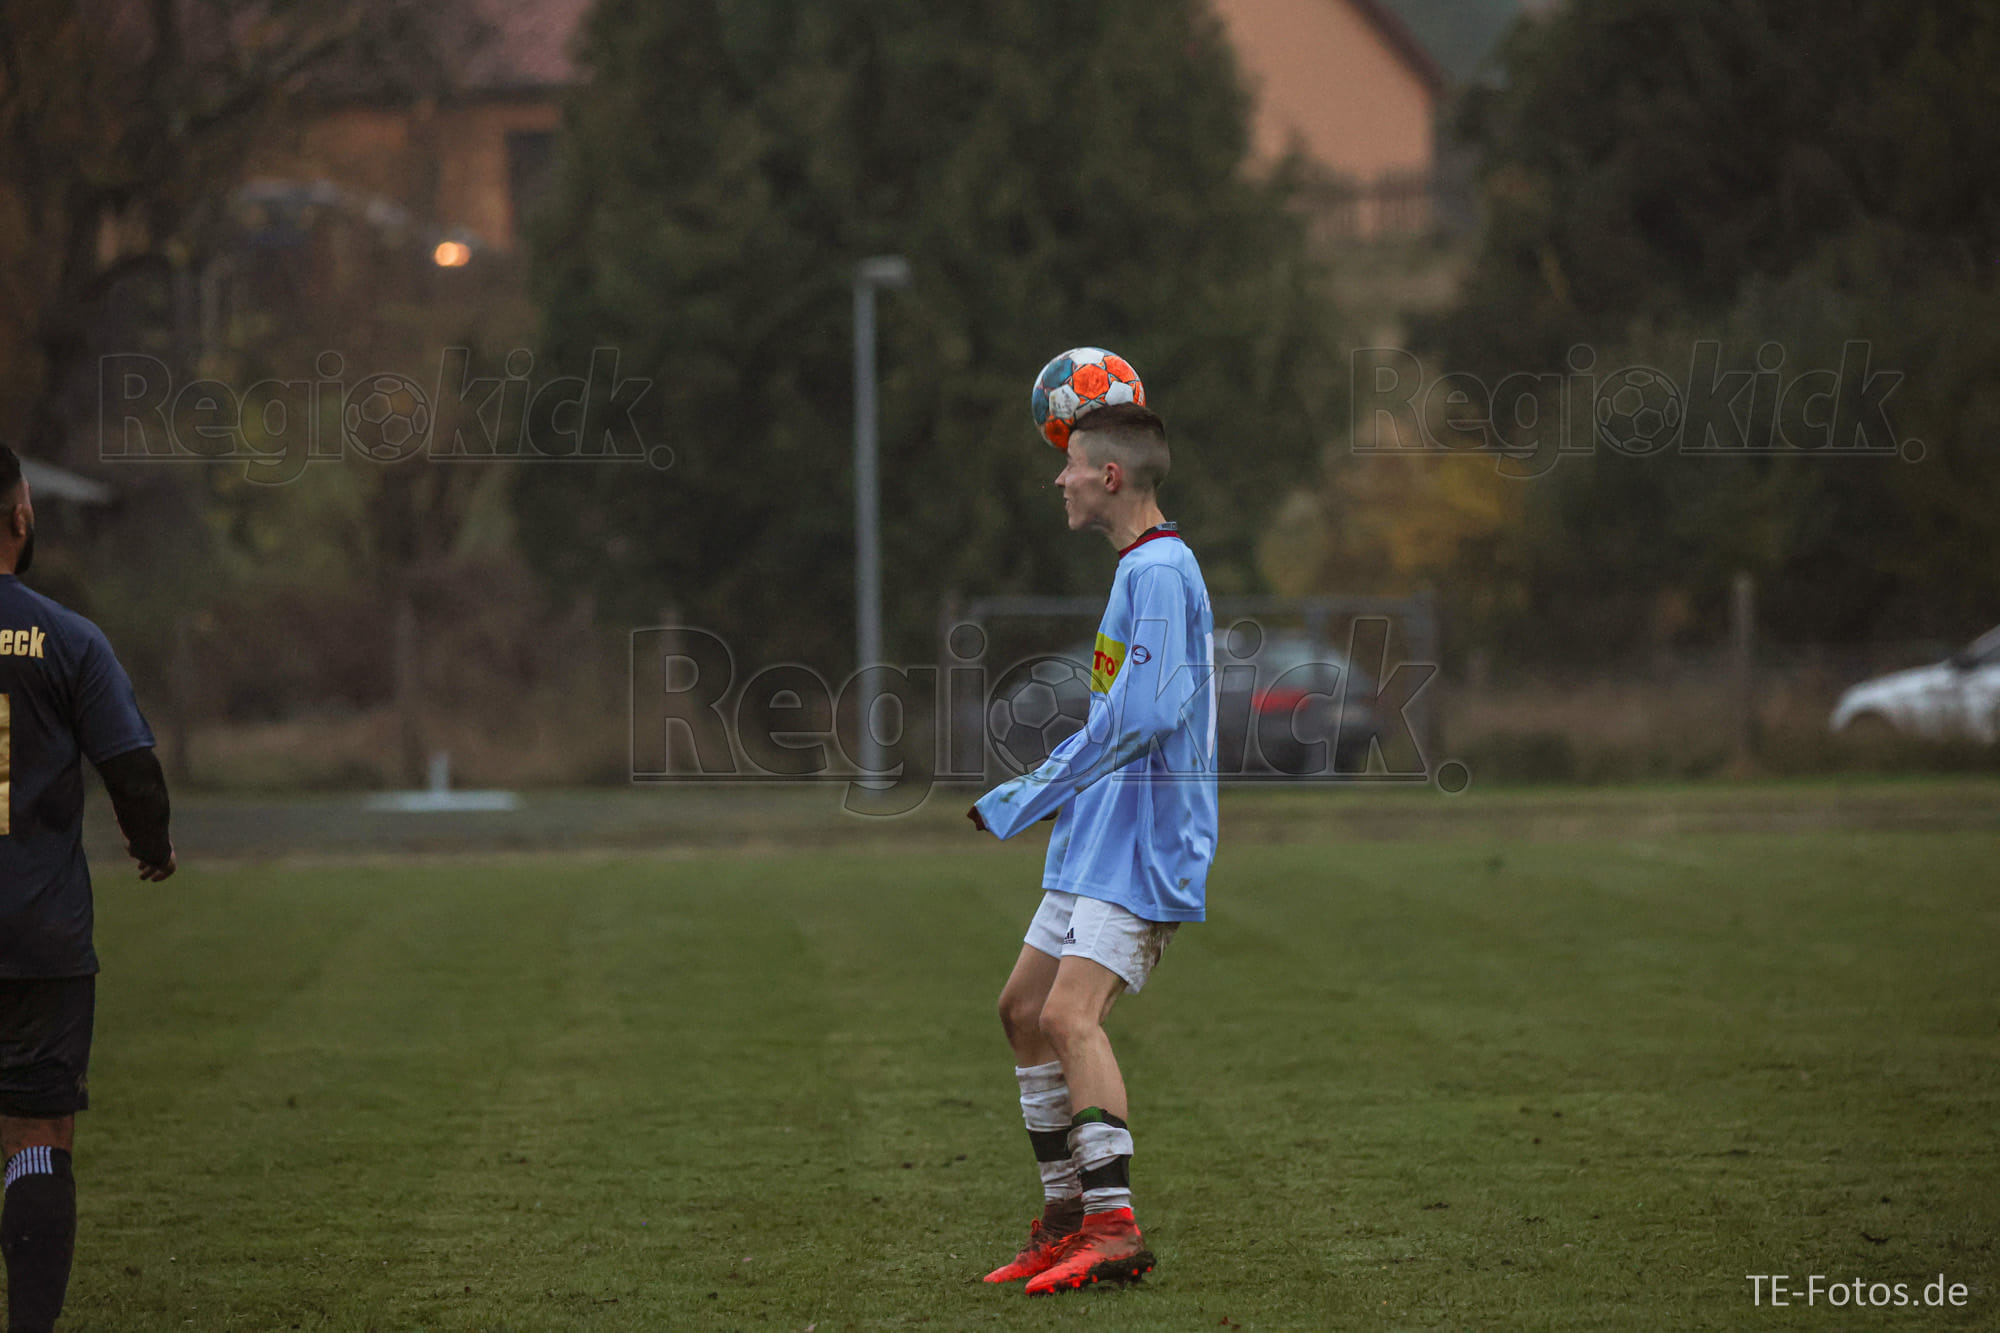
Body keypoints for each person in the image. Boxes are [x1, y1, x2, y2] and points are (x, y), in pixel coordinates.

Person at [968, 399, 1217, 1295]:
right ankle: (1068, 1217)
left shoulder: (1162, 571)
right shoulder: (1137, 569)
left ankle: (1114, 1227)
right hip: (1099, 836)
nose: (1060, 477)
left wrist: (1032, 790)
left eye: (1071, 463)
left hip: (1143, 843)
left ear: (1109, 476)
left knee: (1071, 1017)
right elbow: (1124, 715)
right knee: (1023, 1010)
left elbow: (1145, 716)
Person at [0, 445, 175, 1333]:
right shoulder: (68, 638)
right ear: (20, 514)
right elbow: (131, 766)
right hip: (38, 933)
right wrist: (152, 844)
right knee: (36, 1136)